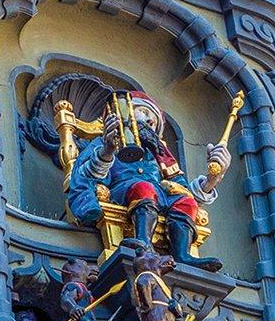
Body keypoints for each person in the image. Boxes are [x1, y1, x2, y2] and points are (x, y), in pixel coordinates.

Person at [64, 91, 230, 271]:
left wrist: (211, 181)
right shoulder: (106, 143)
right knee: (144, 187)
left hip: (160, 195)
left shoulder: (159, 155)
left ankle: (182, 254)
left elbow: (181, 186)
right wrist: (107, 151)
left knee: (186, 202)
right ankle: (143, 242)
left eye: (153, 118)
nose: (150, 120)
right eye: (142, 112)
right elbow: (87, 175)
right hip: (123, 191)